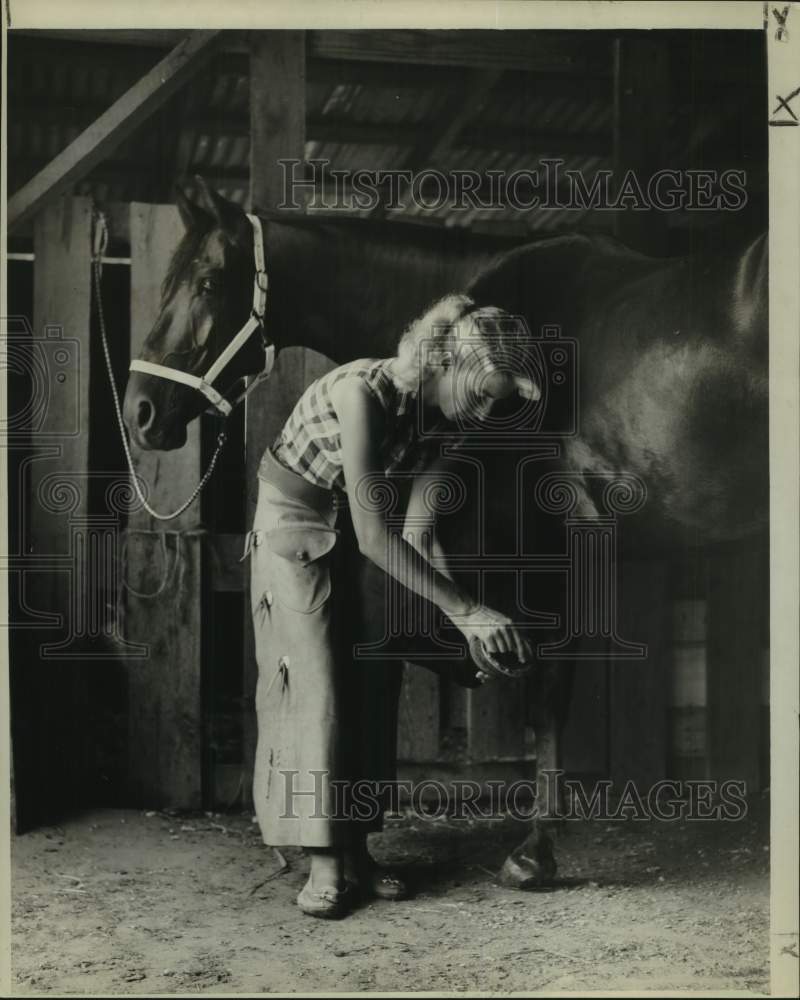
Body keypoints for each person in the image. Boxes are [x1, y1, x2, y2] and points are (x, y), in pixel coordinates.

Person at [246, 294, 536, 918]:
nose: (487, 410)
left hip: (358, 533)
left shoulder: (448, 426)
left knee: (373, 677)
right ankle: (325, 861)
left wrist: (469, 628)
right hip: (296, 524)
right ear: (444, 362)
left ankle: (359, 852)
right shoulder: (362, 394)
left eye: (499, 401)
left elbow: (417, 535)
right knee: (317, 684)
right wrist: (464, 610)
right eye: (482, 392)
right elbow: (378, 536)